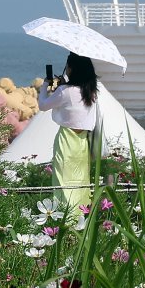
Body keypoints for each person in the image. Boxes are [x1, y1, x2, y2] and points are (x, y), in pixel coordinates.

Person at [37, 52, 100, 219]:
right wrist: (63, 86)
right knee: (80, 182)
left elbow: (43, 105)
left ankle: (65, 219)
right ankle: (80, 217)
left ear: (71, 69)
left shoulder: (65, 91)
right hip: (82, 142)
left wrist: (45, 86)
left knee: (63, 181)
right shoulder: (91, 91)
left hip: (67, 139)